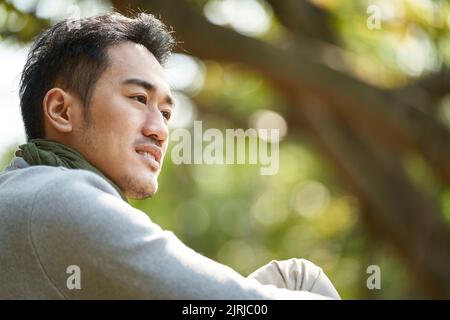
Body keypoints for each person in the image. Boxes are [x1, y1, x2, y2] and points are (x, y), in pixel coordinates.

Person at [0, 12, 340, 300]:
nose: (159, 130)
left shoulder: (29, 189)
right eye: (137, 98)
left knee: (295, 277)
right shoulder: (58, 197)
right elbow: (222, 299)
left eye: (165, 113)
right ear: (61, 110)